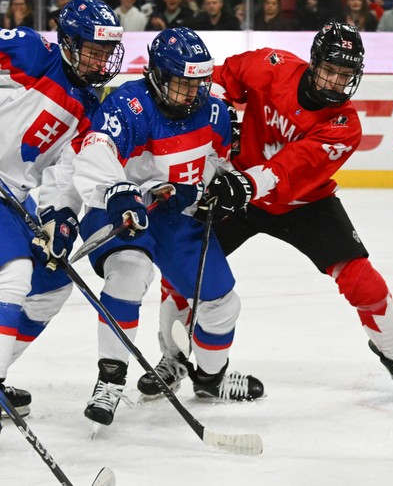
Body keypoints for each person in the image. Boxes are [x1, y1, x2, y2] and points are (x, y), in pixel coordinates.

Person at [141, 22, 393, 398]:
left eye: (345, 74)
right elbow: (217, 79)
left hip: (303, 202)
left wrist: (246, 183)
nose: (335, 81)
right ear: (313, 63)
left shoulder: (344, 126)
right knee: (181, 273)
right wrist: (219, 111)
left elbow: (289, 168)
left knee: (362, 279)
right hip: (239, 193)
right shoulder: (270, 66)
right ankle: (172, 360)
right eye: (329, 70)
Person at [73, 27, 264, 426]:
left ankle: (211, 379)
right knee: (129, 271)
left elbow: (218, 166)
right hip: (120, 209)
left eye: (198, 83)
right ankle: (110, 380)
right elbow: (95, 149)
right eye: (181, 84)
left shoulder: (212, 110)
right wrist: (122, 191)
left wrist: (208, 189)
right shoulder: (128, 105)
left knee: (222, 304)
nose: (191, 94)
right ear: (158, 76)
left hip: (178, 217)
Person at [0, 0, 124, 419]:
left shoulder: (89, 104)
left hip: (13, 194)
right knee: (12, 275)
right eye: (93, 49)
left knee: (50, 285)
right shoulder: (31, 52)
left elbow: (65, 169)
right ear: (69, 44)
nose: (102, 59)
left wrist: (59, 217)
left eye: (107, 52)